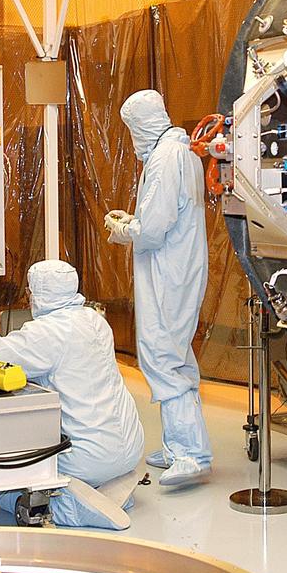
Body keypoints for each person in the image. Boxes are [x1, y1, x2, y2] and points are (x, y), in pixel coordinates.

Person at [0, 260, 145, 529]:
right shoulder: (95, 320)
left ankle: (68, 509)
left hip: (86, 457)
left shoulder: (48, 333)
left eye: (30, 292)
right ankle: (109, 489)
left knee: (2, 492)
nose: (28, 298)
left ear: (38, 295)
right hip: (130, 446)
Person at [106, 89, 212, 488]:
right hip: (179, 267)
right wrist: (134, 220)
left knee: (162, 357)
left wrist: (123, 229)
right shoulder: (180, 153)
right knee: (177, 355)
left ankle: (190, 454)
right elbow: (165, 214)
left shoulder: (165, 160)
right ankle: (179, 445)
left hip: (168, 272)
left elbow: (152, 228)